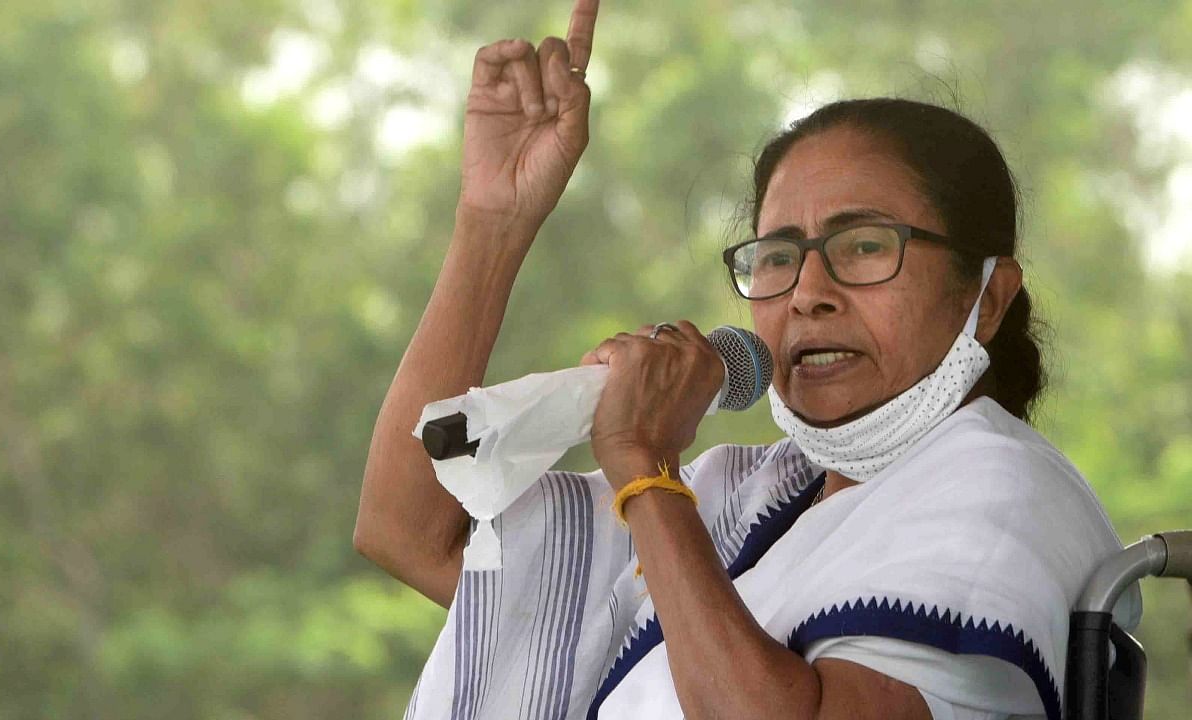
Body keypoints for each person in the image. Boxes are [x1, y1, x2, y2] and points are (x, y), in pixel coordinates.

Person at [354, 1, 1140, 718]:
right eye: (776, 257)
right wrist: (494, 220)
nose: (807, 293)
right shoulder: (747, 497)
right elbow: (410, 532)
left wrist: (643, 468)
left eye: (865, 246)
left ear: (990, 296)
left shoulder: (1002, 496)